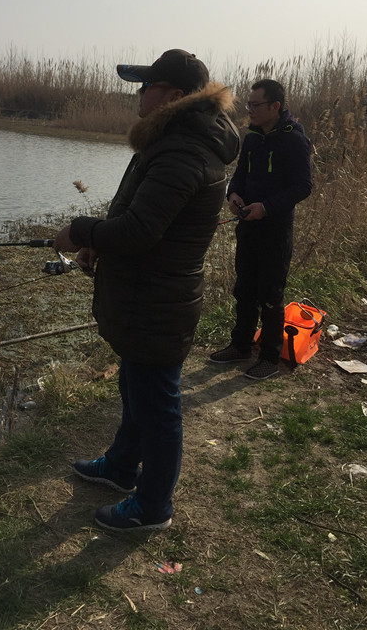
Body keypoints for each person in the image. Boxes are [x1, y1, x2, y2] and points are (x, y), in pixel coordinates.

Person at [53, 49, 240, 531]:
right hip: (148, 296)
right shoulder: (175, 142)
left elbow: (139, 232)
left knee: (158, 407)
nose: (139, 94)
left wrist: (81, 230)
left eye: (147, 86)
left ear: (174, 95)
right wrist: (99, 243)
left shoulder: (183, 153)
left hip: (157, 302)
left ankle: (153, 506)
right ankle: (120, 467)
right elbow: (140, 218)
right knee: (136, 389)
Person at [209, 79, 312, 380]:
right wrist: (233, 195)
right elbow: (239, 175)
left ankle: (269, 357)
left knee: (270, 294)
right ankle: (240, 346)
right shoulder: (252, 138)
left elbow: (303, 186)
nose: (250, 110)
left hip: (276, 230)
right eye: (249, 104)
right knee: (244, 289)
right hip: (247, 226)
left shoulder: (294, 140)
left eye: (255, 105)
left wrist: (266, 207)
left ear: (275, 106)